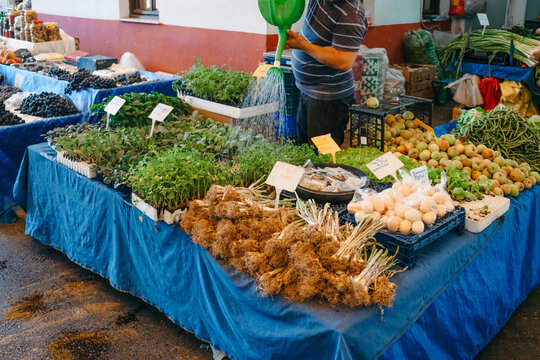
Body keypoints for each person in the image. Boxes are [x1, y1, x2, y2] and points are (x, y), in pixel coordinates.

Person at [286, 0, 367, 146]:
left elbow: (343, 61)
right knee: (304, 151)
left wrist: (303, 45)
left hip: (328, 99)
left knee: (322, 159)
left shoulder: (351, 14)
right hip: (308, 91)